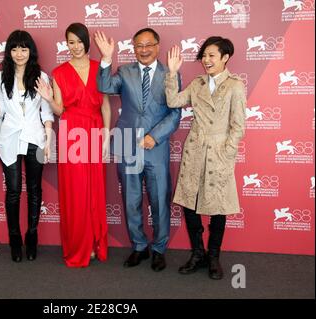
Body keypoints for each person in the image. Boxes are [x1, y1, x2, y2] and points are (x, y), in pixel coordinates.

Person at [94, 29, 181, 272]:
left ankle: (159, 248)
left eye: (148, 45)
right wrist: (106, 59)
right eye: (138, 46)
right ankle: (139, 246)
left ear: (158, 45)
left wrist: (156, 135)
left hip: (156, 146)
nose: (143, 50)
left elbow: (175, 113)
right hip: (126, 142)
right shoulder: (124, 71)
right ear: (133, 47)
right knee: (131, 199)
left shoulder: (170, 74)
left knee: (159, 200)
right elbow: (104, 86)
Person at [165, 36, 246, 279]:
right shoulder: (198, 83)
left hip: (219, 153)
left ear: (225, 57)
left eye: (212, 56)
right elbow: (173, 100)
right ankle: (197, 253)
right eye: (204, 56)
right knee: (190, 203)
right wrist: (171, 73)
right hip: (195, 150)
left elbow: (238, 125)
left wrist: (227, 152)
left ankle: (214, 257)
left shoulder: (235, 85)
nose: (207, 60)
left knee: (218, 208)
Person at [36, 23, 111, 267]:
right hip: (72, 134)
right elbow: (60, 110)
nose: (75, 46)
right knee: (76, 192)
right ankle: (80, 244)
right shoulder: (58, 72)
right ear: (66, 44)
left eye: (79, 41)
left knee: (94, 191)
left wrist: (107, 133)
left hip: (95, 129)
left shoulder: (100, 68)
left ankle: (94, 243)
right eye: (71, 42)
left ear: (87, 43)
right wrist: (48, 98)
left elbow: (105, 105)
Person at [0, 30, 54, 262]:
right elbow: (0, 113)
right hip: (9, 138)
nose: (19, 53)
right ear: (9, 52)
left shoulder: (41, 76)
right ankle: (14, 239)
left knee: (34, 190)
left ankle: (32, 236)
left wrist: (49, 140)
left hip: (37, 139)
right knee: (13, 191)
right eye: (14, 48)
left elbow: (47, 112)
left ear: (30, 50)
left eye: (23, 48)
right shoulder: (1, 77)